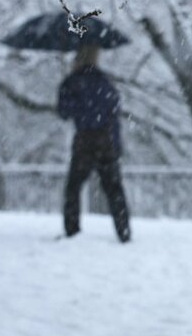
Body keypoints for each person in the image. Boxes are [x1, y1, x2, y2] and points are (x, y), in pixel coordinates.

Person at [57, 45, 131, 243]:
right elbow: (113, 112)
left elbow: (64, 111)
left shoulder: (73, 83)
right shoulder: (105, 83)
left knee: (73, 187)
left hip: (85, 140)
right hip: (105, 140)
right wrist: (116, 145)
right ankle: (123, 231)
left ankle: (72, 230)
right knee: (114, 188)